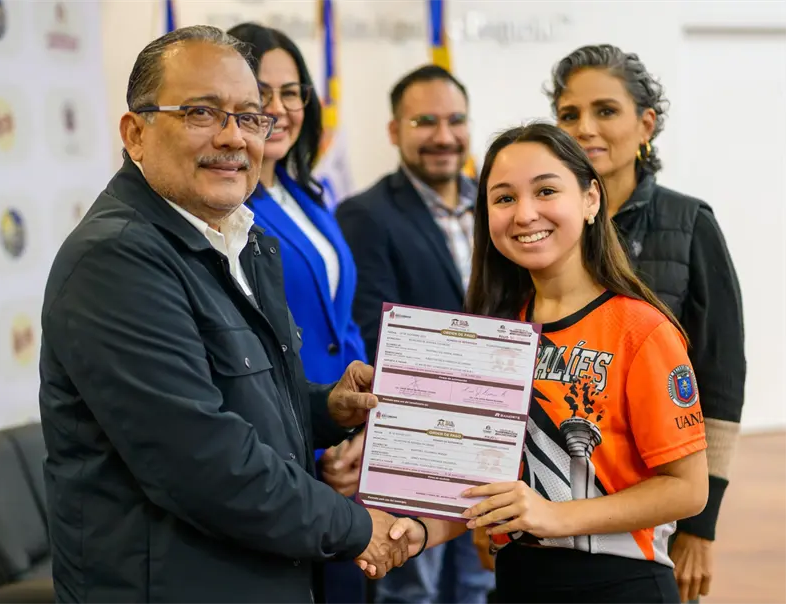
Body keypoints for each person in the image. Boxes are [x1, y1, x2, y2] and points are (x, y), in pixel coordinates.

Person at [38, 26, 417, 604]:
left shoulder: (243, 240)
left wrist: (326, 409)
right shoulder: (116, 258)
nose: (233, 137)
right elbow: (203, 463)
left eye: (250, 116)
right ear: (135, 133)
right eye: (200, 113)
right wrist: (358, 529)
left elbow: (241, 402)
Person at [388, 122, 711, 604]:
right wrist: (420, 529)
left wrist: (553, 515)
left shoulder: (641, 329)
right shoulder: (494, 333)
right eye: (503, 198)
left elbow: (687, 490)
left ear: (590, 200)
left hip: (621, 586)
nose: (524, 213)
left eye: (545, 190)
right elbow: (480, 485)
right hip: (518, 582)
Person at [547, 44, 746, 603]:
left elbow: (722, 376)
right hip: (550, 520)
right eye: (569, 115)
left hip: (656, 513)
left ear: (646, 123)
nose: (586, 128)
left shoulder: (689, 223)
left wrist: (700, 529)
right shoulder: (542, 227)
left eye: (605, 110)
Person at [336, 65, 495, 604]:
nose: (444, 137)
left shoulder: (498, 206)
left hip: (494, 432)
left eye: (456, 121)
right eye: (425, 121)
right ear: (394, 130)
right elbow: (372, 329)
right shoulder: (364, 215)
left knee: (481, 581)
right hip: (412, 436)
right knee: (411, 585)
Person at [227, 22, 369, 604]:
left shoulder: (306, 192)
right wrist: (330, 435)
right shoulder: (232, 209)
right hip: (296, 450)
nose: (279, 108)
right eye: (262, 93)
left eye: (293, 93)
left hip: (349, 436)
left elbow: (343, 324)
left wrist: (369, 423)